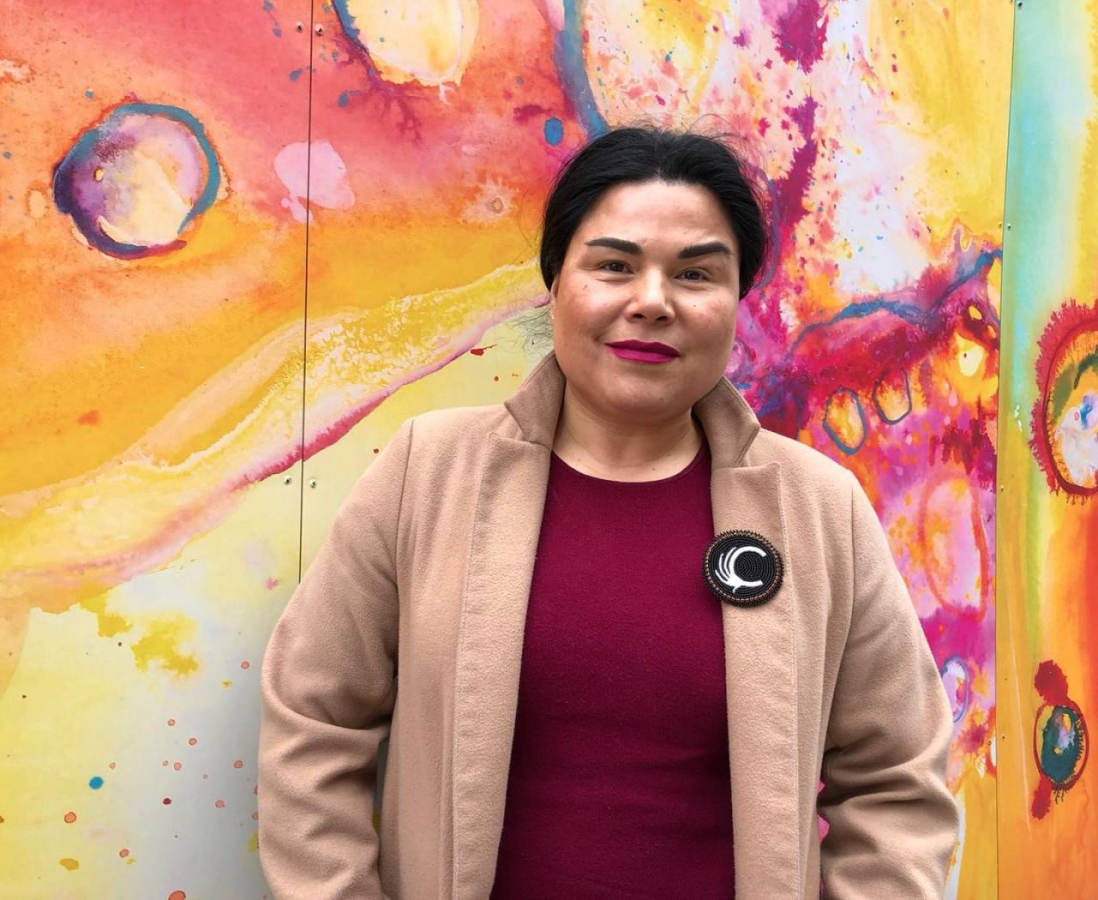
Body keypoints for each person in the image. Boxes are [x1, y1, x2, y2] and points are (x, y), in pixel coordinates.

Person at [258, 127, 958, 900]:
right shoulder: (428, 472)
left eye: (695, 274)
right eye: (615, 265)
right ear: (557, 280)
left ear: (734, 303)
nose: (651, 302)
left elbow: (899, 780)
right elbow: (314, 719)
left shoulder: (819, 509)